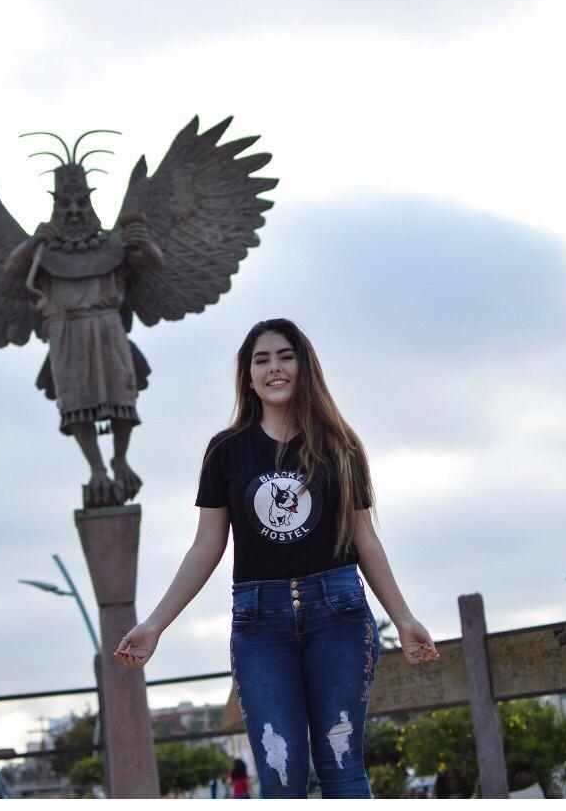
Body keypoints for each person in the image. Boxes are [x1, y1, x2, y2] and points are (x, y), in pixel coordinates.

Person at [114, 318, 440, 798]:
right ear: (248, 376)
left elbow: (364, 538)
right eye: (260, 360)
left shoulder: (339, 446)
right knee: (280, 772)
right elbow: (207, 545)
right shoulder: (225, 452)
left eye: (285, 356)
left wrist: (404, 617)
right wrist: (155, 624)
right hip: (259, 622)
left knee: (341, 763)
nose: (274, 368)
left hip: (339, 614)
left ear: (304, 366)